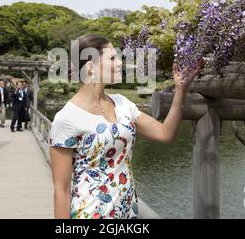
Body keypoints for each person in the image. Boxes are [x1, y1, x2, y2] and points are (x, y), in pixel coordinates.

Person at [49, 34, 203, 219]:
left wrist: (180, 91)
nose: (121, 63)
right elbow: (61, 189)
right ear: (91, 67)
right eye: (113, 58)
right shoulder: (66, 118)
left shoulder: (123, 104)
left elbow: (165, 134)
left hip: (128, 214)